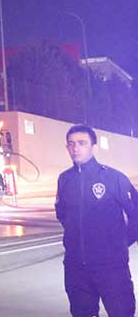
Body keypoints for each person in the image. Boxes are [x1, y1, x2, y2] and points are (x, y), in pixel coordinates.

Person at [55, 124, 138, 317]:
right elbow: (62, 214)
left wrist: (121, 242)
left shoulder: (113, 178)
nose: (75, 148)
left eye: (82, 143)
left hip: (111, 267)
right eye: (71, 144)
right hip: (76, 268)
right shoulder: (65, 180)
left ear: (94, 147)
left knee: (122, 312)